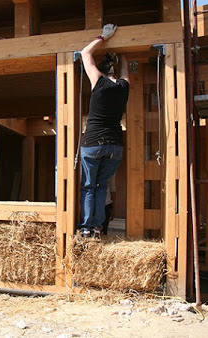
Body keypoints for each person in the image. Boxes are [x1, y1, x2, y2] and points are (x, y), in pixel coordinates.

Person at [78, 24, 129, 239]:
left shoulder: (97, 82)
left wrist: (104, 37)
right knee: (101, 187)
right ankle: (98, 227)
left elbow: (84, 53)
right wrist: (123, 53)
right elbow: (126, 70)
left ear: (100, 71)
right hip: (115, 146)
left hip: (93, 143)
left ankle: (87, 229)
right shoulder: (123, 86)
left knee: (89, 186)